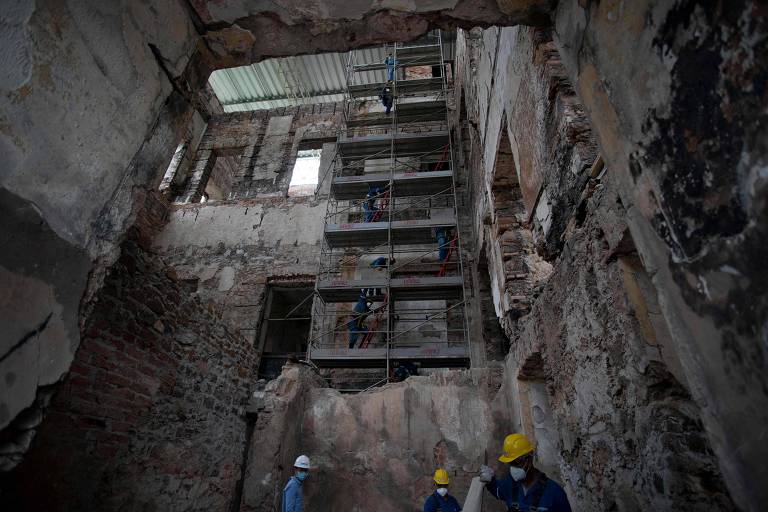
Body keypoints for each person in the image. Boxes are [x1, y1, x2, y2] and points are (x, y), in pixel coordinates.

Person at [479, 433, 571, 512]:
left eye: (517, 462)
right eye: (511, 463)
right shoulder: (510, 485)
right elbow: (498, 490)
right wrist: (490, 480)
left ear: (530, 459)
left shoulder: (554, 493)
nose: (513, 467)